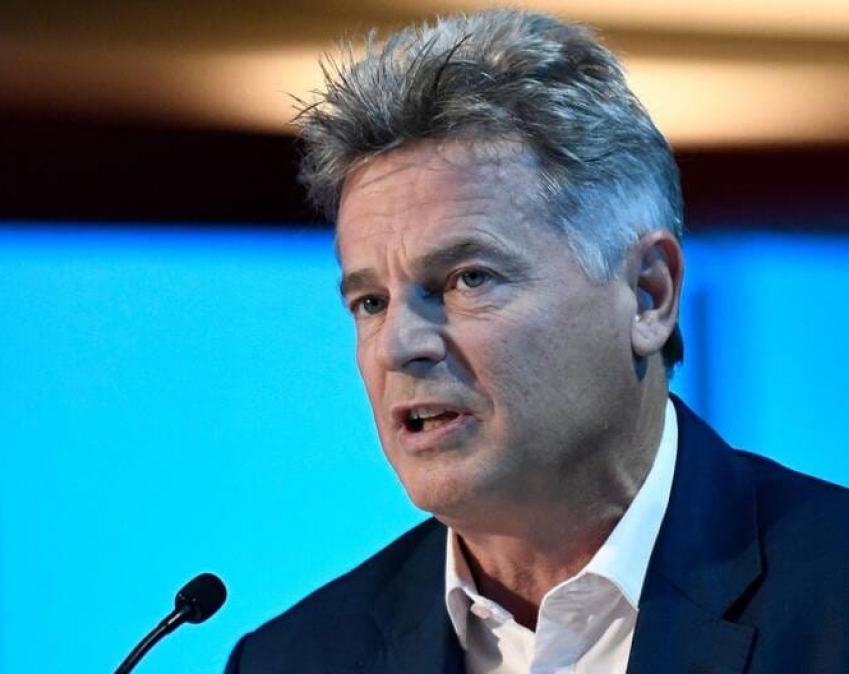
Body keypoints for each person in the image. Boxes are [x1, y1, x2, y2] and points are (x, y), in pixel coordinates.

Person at [225, 9, 849, 674]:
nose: (398, 346)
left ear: (648, 294)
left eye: (468, 278)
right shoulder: (294, 660)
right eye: (371, 302)